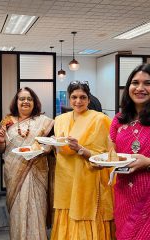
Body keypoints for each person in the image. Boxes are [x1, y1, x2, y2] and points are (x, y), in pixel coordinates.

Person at [51, 81, 115, 240]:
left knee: (85, 212)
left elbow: (106, 157)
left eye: (82, 97)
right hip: (65, 177)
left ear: (88, 99)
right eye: (74, 97)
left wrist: (80, 149)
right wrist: (54, 143)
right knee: (66, 210)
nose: (78, 101)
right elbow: (59, 150)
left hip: (88, 178)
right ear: (68, 98)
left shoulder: (100, 119)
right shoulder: (60, 119)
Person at [0, 87, 54, 239]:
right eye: (22, 99)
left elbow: (51, 145)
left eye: (29, 99)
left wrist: (46, 149)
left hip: (38, 172)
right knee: (17, 212)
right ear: (16, 102)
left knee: (37, 211)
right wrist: (0, 141)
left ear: (35, 102)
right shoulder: (7, 121)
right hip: (14, 174)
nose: (25, 102)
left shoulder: (44, 122)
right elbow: (0, 149)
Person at [109, 63, 150, 239]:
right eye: (135, 82)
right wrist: (103, 163)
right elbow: (111, 152)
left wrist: (148, 162)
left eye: (147, 83)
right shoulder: (118, 119)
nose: (140, 88)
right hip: (124, 192)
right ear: (128, 87)